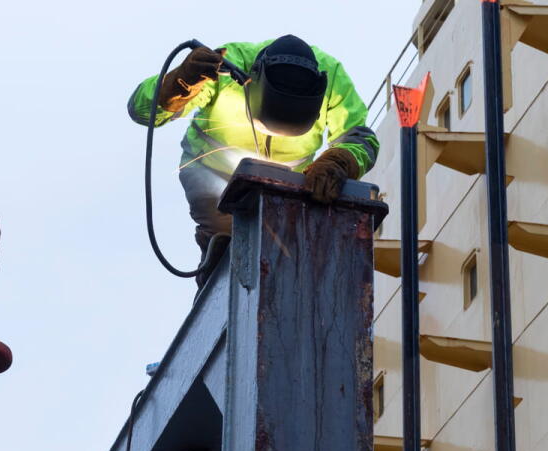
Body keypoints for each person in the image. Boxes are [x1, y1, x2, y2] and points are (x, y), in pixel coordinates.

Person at [128, 35, 379, 277]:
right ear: (252, 79)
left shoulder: (332, 78)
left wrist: (338, 161)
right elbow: (140, 110)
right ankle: (216, 269)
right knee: (226, 236)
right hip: (213, 174)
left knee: (288, 249)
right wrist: (179, 83)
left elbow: (360, 138)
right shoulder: (224, 67)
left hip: (288, 186)